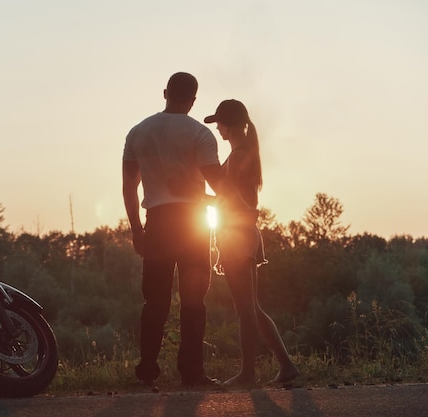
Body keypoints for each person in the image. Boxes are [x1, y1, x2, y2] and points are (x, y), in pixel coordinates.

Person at [122, 72, 225, 387]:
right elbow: (220, 187)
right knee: (194, 301)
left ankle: (147, 372)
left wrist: (137, 230)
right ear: (193, 100)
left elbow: (128, 188)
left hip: (158, 224)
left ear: (165, 92)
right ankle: (192, 373)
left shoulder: (138, 132)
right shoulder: (200, 135)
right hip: (192, 224)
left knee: (154, 302)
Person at [204, 99, 299, 386]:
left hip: (237, 236)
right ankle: (286, 366)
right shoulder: (244, 152)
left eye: (219, 123)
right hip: (243, 234)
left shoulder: (239, 156)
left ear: (230, 125)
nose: (217, 128)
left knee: (245, 309)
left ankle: (247, 374)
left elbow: (231, 201)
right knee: (251, 307)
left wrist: (192, 198)